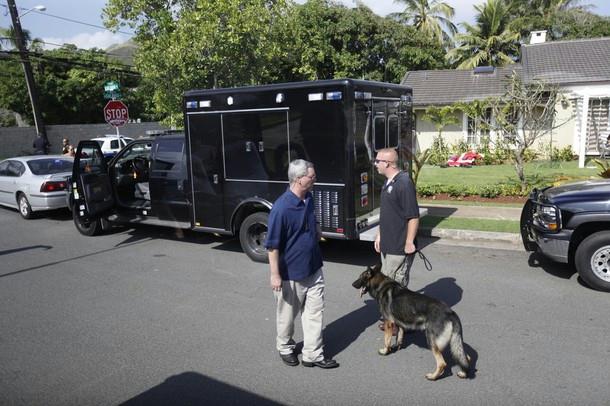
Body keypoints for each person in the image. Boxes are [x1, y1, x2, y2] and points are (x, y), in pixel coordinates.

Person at [265, 159, 339, 369]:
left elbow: (312, 217)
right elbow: (272, 246)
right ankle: (285, 347)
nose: (315, 179)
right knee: (287, 316)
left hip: (314, 267)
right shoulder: (281, 208)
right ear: (298, 179)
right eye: (311, 176)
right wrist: (275, 274)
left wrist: (317, 227)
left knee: (315, 313)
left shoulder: (308, 197)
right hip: (291, 273)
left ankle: (312, 354)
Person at [374, 147, 420, 287]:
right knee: (386, 285)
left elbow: (413, 216)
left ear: (387, 163)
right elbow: (387, 213)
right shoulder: (389, 182)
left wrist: (409, 242)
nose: (375, 164)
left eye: (377, 161)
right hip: (387, 245)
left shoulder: (404, 184)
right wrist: (379, 235)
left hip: (399, 247)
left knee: (395, 288)